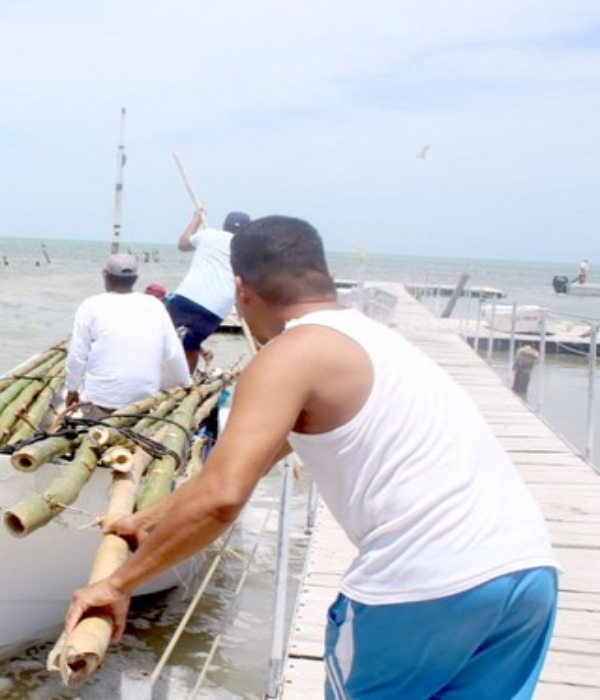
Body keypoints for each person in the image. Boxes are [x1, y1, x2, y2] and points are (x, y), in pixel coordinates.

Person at [65, 216, 559, 699]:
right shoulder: (377, 341)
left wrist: (117, 584)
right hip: (526, 573)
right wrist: (147, 519)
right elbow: (241, 468)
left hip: (421, 586)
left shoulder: (288, 354)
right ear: (322, 273)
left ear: (241, 290)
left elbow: (221, 498)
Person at [64, 253, 191, 420]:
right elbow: (173, 352)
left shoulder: (91, 305)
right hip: (142, 402)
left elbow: (77, 354)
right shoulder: (154, 305)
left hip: (101, 400)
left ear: (105, 275)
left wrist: (72, 389)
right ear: (136, 278)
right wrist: (186, 383)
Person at [166, 209, 250, 372]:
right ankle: (185, 383)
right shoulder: (248, 251)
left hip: (187, 296)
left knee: (163, 336)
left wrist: (196, 219)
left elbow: (183, 244)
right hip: (217, 306)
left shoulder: (208, 234)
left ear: (224, 225)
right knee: (192, 344)